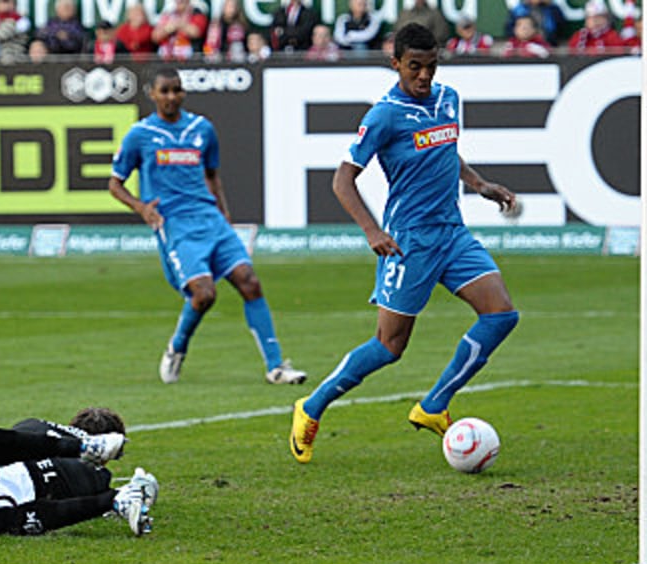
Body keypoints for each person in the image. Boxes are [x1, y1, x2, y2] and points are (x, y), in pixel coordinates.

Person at [289, 23, 519, 464]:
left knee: (501, 314)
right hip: (408, 242)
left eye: (431, 66)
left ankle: (434, 405)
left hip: (452, 233)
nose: (425, 76)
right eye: (415, 67)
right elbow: (342, 180)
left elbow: (446, 150)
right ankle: (310, 406)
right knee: (389, 347)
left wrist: (478, 183)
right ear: (395, 64)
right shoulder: (384, 115)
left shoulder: (448, 99)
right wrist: (372, 231)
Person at [109, 67, 308, 386]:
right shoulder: (140, 135)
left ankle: (276, 367)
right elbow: (114, 184)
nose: (172, 97)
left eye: (177, 90)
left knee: (250, 282)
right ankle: (177, 347)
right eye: (165, 91)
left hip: (211, 219)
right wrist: (141, 207)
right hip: (174, 223)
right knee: (204, 294)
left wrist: (224, 213)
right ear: (153, 94)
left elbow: (213, 175)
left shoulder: (202, 129)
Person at [0, 407, 159, 537]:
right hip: (18, 480)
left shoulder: (34, 424)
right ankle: (114, 497)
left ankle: (113, 494)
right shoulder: (98, 476)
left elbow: (3, 441)